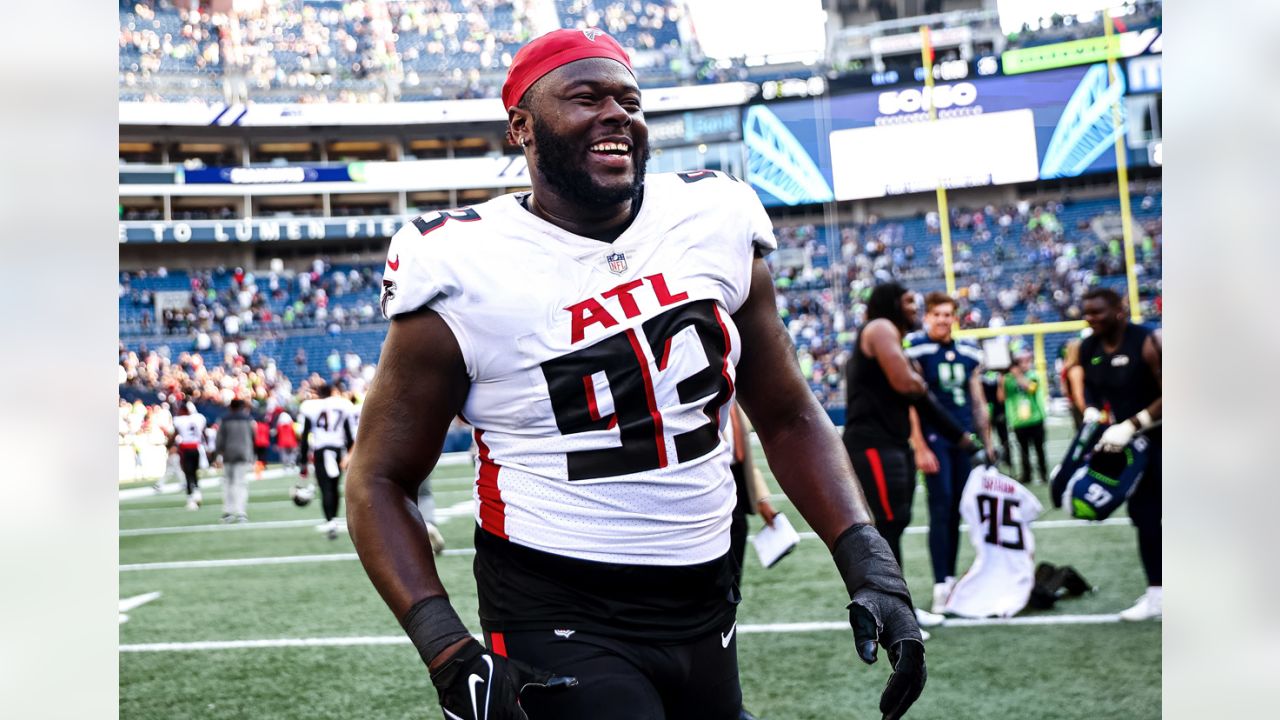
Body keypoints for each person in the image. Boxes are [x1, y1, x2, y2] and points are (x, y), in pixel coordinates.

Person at [347, 28, 926, 720]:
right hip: (555, 599)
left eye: (629, 99)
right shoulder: (460, 262)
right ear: (521, 129)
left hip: (707, 588)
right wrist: (448, 651)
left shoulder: (713, 215)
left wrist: (870, 560)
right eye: (585, 98)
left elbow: (788, 412)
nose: (617, 114)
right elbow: (377, 477)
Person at [843, 283, 973, 631]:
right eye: (906, 302)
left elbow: (921, 398)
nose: (914, 307)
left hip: (890, 444)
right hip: (874, 446)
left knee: (894, 527)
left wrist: (960, 438)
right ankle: (894, 618)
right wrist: (918, 381)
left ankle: (902, 611)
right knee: (886, 531)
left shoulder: (893, 337)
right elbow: (907, 385)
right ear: (889, 304)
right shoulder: (880, 328)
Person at [904, 292, 994, 615]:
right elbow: (912, 400)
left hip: (964, 440)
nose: (943, 320)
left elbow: (977, 398)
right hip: (935, 438)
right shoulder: (917, 348)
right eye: (937, 314)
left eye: (948, 315)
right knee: (940, 510)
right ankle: (940, 584)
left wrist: (988, 440)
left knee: (958, 511)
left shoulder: (968, 351)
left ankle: (952, 580)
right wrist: (920, 445)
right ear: (927, 317)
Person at [1078, 288, 1162, 621]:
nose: (1091, 318)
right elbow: (1093, 392)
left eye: (1097, 312)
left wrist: (1134, 423)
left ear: (1119, 311)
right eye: (1086, 312)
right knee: (1144, 514)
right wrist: (1092, 412)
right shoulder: (1088, 347)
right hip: (1135, 445)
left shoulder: (1147, 341)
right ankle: (1158, 593)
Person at [299, 383, 355, 540]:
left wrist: (303, 460)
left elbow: (305, 437)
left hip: (322, 451)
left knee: (325, 488)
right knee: (334, 486)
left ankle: (330, 521)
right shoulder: (341, 406)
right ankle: (333, 519)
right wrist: (350, 456)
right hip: (338, 451)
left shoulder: (311, 408)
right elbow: (349, 435)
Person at [998, 351, 1049, 485]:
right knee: (1023, 452)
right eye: (1021, 362)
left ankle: (1043, 474)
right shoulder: (1008, 379)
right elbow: (1001, 398)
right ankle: (1027, 475)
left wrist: (1017, 375)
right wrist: (1001, 380)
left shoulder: (1033, 375)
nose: (1025, 364)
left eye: (1027, 361)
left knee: (1039, 450)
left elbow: (1031, 388)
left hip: (1036, 419)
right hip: (1018, 422)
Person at [214, 398, 256, 523]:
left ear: (231, 407)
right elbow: (254, 437)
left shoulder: (224, 420)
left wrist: (217, 455)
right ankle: (241, 512)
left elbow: (219, 439)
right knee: (241, 483)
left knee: (228, 484)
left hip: (228, 454)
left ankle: (228, 512)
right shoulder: (249, 420)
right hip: (243, 454)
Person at [170, 401, 207, 510]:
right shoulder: (197, 418)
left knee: (188, 474)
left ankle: (191, 499)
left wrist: (169, 444)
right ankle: (197, 493)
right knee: (194, 473)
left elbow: (175, 435)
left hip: (186, 449)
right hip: (196, 448)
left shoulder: (180, 420)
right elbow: (203, 434)